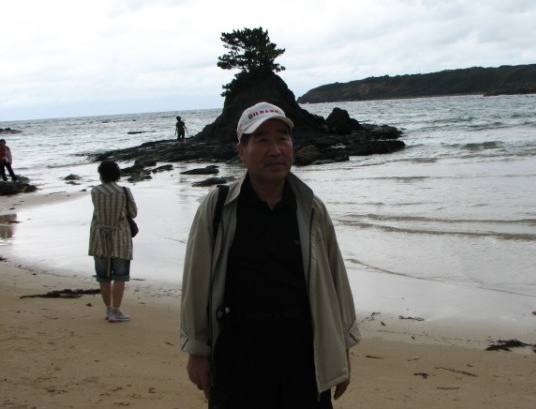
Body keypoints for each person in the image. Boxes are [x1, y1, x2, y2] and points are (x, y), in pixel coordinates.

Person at [181, 101, 360, 408]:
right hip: (238, 349)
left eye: (282, 138)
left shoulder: (311, 207)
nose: (275, 150)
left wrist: (341, 347)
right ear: (241, 151)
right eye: (262, 140)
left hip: (303, 350)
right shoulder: (218, 207)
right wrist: (197, 351)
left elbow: (335, 280)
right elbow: (195, 284)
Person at [88, 160, 137, 323]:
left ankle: (108, 309)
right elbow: (133, 212)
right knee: (120, 276)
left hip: (99, 237)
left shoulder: (95, 191)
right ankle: (116, 311)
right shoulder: (123, 191)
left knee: (103, 277)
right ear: (117, 174)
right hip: (120, 237)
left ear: (101, 175)